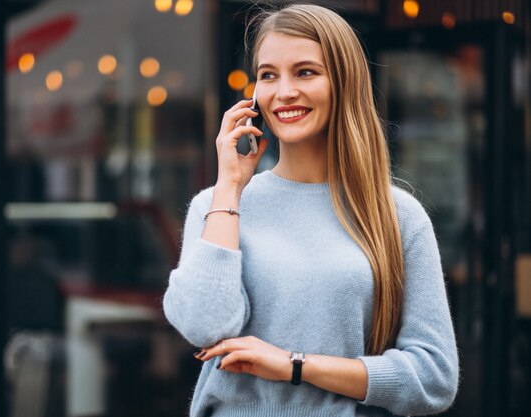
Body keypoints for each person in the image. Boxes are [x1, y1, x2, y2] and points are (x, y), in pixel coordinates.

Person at [163, 3, 459, 417]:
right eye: (268, 75)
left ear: (343, 83)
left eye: (305, 72)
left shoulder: (398, 216)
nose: (283, 92)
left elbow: (434, 377)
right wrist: (229, 186)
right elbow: (204, 326)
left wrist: (295, 366)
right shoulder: (216, 206)